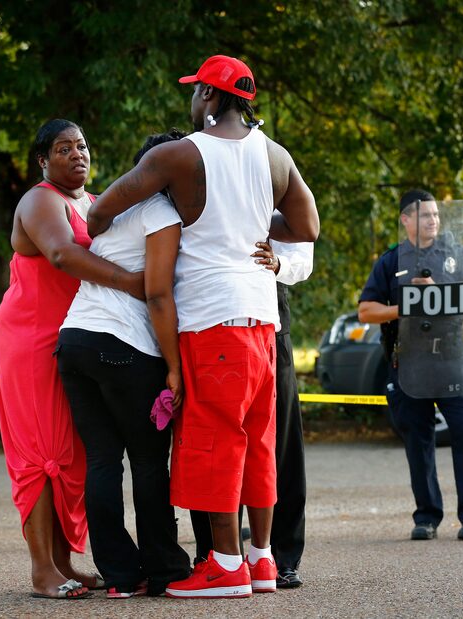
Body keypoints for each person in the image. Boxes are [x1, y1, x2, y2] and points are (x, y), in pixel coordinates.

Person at [87, 54, 319, 598]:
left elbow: (102, 212)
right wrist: (254, 220)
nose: (193, 102)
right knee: (259, 440)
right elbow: (307, 225)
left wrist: (103, 227)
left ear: (210, 98)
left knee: (214, 441)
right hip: (263, 318)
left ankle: (224, 565)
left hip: (213, 319)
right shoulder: (276, 155)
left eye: (196, 92)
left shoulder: (180, 155)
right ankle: (261, 561)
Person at [0, 119, 145, 599]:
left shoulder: (93, 201)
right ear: (44, 160)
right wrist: (131, 283)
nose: (77, 154)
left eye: (81, 146)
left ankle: (63, 562)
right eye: (63, 148)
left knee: (68, 452)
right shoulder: (40, 199)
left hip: (73, 338)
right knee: (41, 453)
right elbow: (60, 254)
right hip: (31, 337)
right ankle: (43, 571)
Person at [56, 130, 192, 598]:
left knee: (102, 460)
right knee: (150, 462)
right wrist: (173, 366)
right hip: (124, 345)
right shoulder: (161, 212)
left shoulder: (114, 209)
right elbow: (156, 294)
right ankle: (164, 569)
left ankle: (119, 575)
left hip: (73, 342)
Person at [358, 189, 463, 541]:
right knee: (418, 440)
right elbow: (366, 310)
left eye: (436, 214)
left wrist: (435, 293)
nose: (434, 220)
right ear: (406, 220)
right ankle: (427, 516)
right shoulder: (391, 261)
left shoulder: (457, 255)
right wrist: (405, 308)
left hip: (452, 359)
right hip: (410, 362)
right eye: (426, 215)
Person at [192, 239, 314, 588]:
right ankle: (213, 554)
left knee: (279, 446)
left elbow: (303, 254)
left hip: (268, 324)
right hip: (210, 316)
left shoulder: (277, 191)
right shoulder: (199, 189)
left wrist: (278, 264)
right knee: (211, 442)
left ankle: (281, 558)